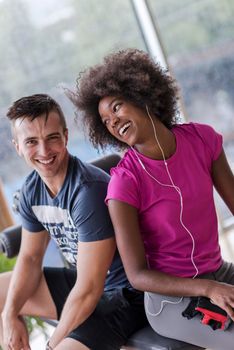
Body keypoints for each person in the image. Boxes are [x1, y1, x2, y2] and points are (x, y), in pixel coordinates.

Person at [70, 48, 234, 350]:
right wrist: (209, 288)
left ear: (141, 94)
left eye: (117, 107)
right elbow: (137, 275)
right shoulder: (124, 183)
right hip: (170, 302)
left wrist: (215, 284)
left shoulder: (202, 140)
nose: (114, 122)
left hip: (219, 274)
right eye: (106, 121)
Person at [0, 93, 147, 350]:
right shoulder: (32, 189)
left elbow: (90, 288)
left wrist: (51, 345)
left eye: (52, 138)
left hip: (125, 297)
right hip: (84, 283)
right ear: (18, 146)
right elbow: (30, 258)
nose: (44, 151)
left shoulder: (88, 191)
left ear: (66, 137)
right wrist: (10, 315)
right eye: (32, 141)